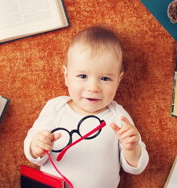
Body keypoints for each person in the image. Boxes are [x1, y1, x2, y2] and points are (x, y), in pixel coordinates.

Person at [24, 25, 149, 188]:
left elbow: (135, 167)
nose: (93, 88)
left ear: (119, 80)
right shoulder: (56, 107)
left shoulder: (118, 116)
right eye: (82, 76)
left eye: (105, 79)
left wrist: (131, 148)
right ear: (66, 76)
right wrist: (36, 146)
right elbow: (33, 154)